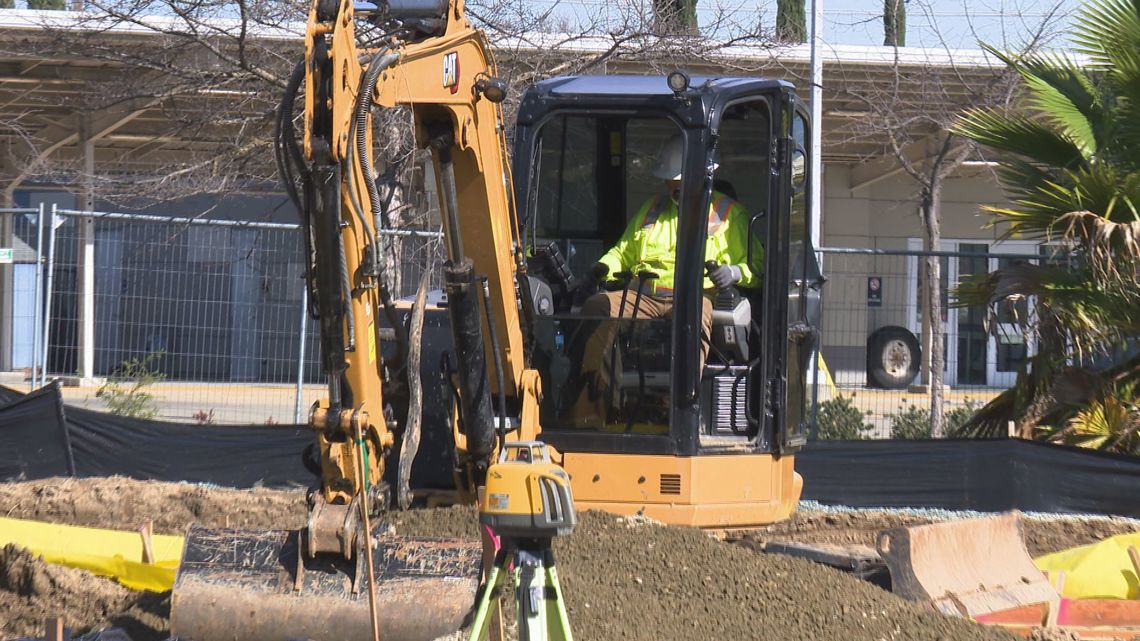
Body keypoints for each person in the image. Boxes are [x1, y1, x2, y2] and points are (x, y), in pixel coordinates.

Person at [571, 134, 761, 428]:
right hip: (643, 296)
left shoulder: (730, 215)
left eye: (678, 181)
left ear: (705, 174)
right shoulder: (652, 209)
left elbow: (758, 267)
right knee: (598, 307)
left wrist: (735, 272)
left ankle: (680, 415)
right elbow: (624, 252)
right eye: (669, 182)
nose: (672, 187)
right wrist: (602, 268)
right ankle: (592, 417)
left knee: (692, 319)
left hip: (693, 296)